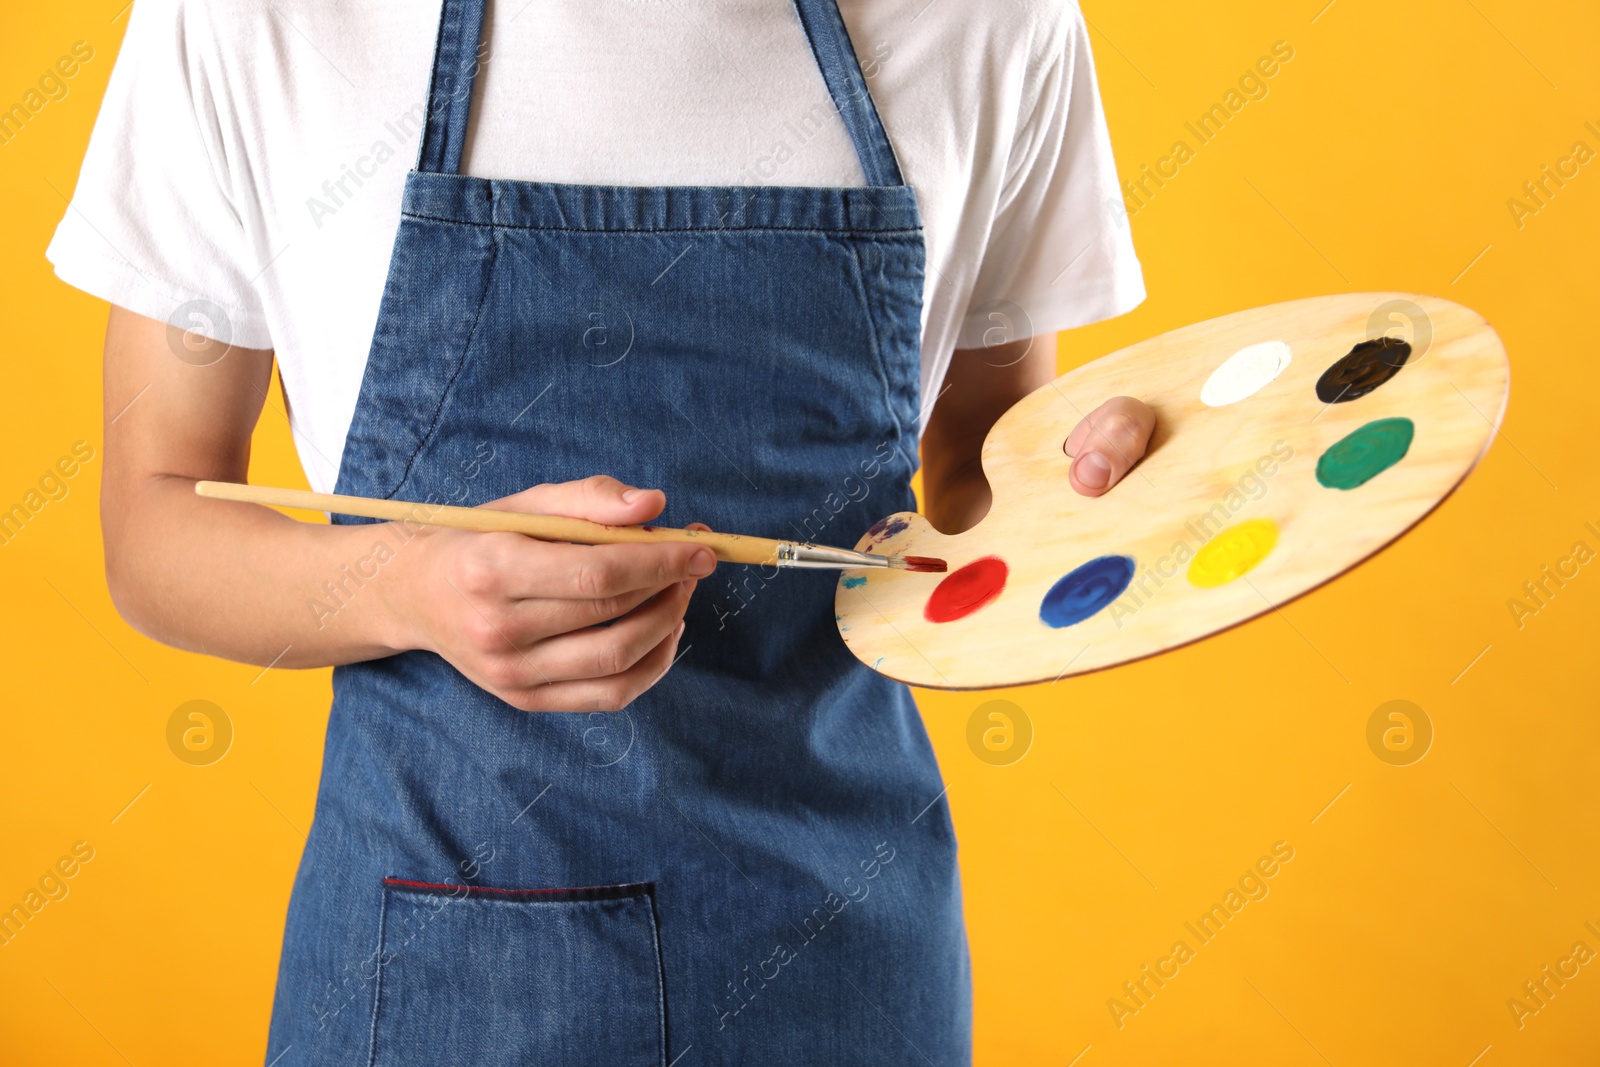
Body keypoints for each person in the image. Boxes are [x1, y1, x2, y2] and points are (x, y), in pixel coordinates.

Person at [49, 0, 1155, 1062]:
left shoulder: (995, 22)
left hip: (843, 950)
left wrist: (1116, 490)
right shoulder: (251, 18)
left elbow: (976, 484)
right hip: (448, 967)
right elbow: (157, 520)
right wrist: (405, 587)